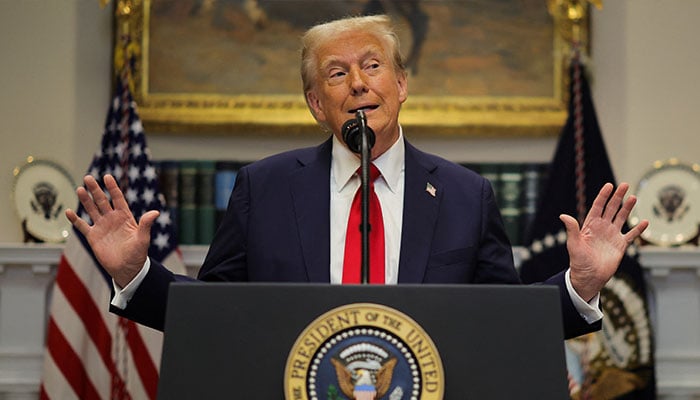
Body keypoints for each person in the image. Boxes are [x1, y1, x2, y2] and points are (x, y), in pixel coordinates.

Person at [66, 15, 648, 338]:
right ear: (317, 104)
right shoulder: (264, 189)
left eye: (373, 66)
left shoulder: (466, 195)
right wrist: (134, 274)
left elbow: (503, 322)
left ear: (401, 85)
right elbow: (216, 317)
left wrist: (581, 286)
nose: (358, 84)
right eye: (336, 74)